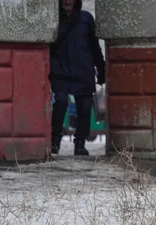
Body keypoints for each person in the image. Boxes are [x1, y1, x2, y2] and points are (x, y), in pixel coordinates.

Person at [49, 0, 105, 156]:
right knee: (60, 104)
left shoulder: (86, 19)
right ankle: (54, 142)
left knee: (85, 108)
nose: (67, 1)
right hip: (60, 70)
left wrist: (101, 69)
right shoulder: (53, 19)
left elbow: (94, 46)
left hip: (83, 70)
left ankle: (80, 144)